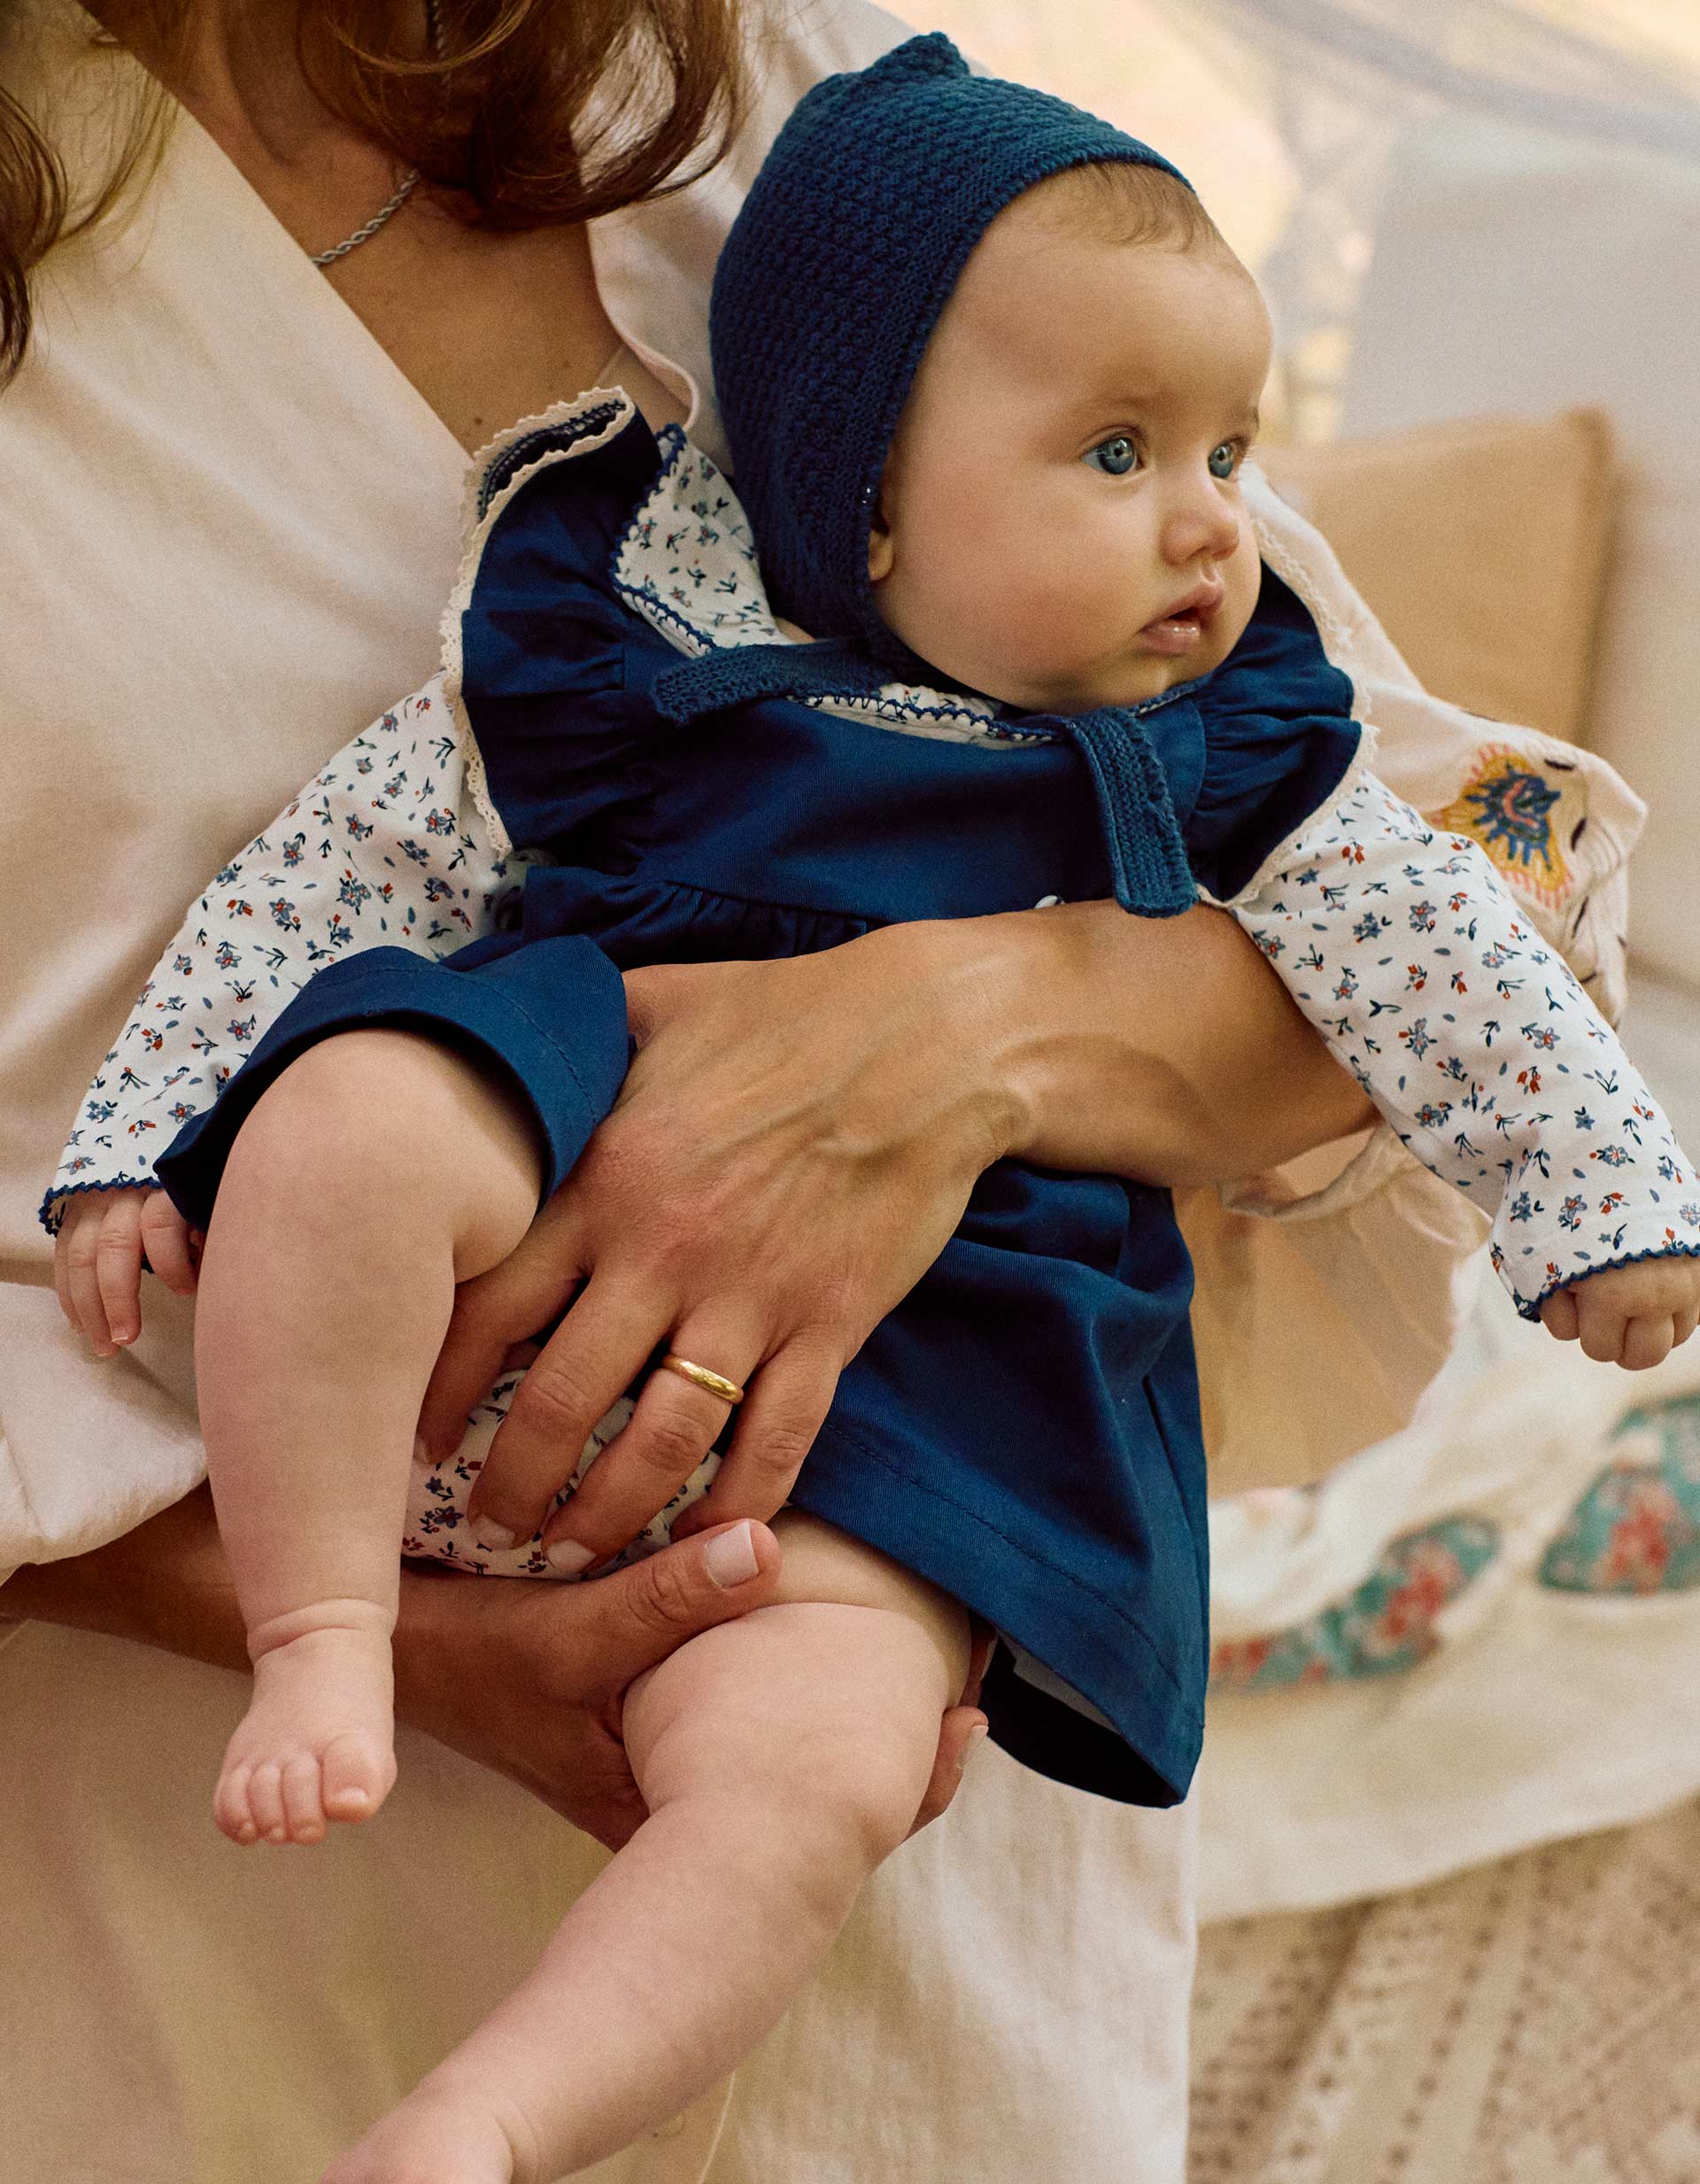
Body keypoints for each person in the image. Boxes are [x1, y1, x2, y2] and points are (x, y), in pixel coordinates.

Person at [44, 35, 1698, 2183]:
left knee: (818, 1764)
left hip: (915, 1433)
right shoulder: (631, 613)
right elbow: (339, 874)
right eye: (1128, 453)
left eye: (1232, 448)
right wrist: (134, 1139)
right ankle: (321, 1627)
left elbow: (1474, 914)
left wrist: (1597, 1199)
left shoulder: (1183, 663)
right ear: (869, 492)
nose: (1213, 517)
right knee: (349, 1112)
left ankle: (480, 2129)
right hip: (194, 1832)